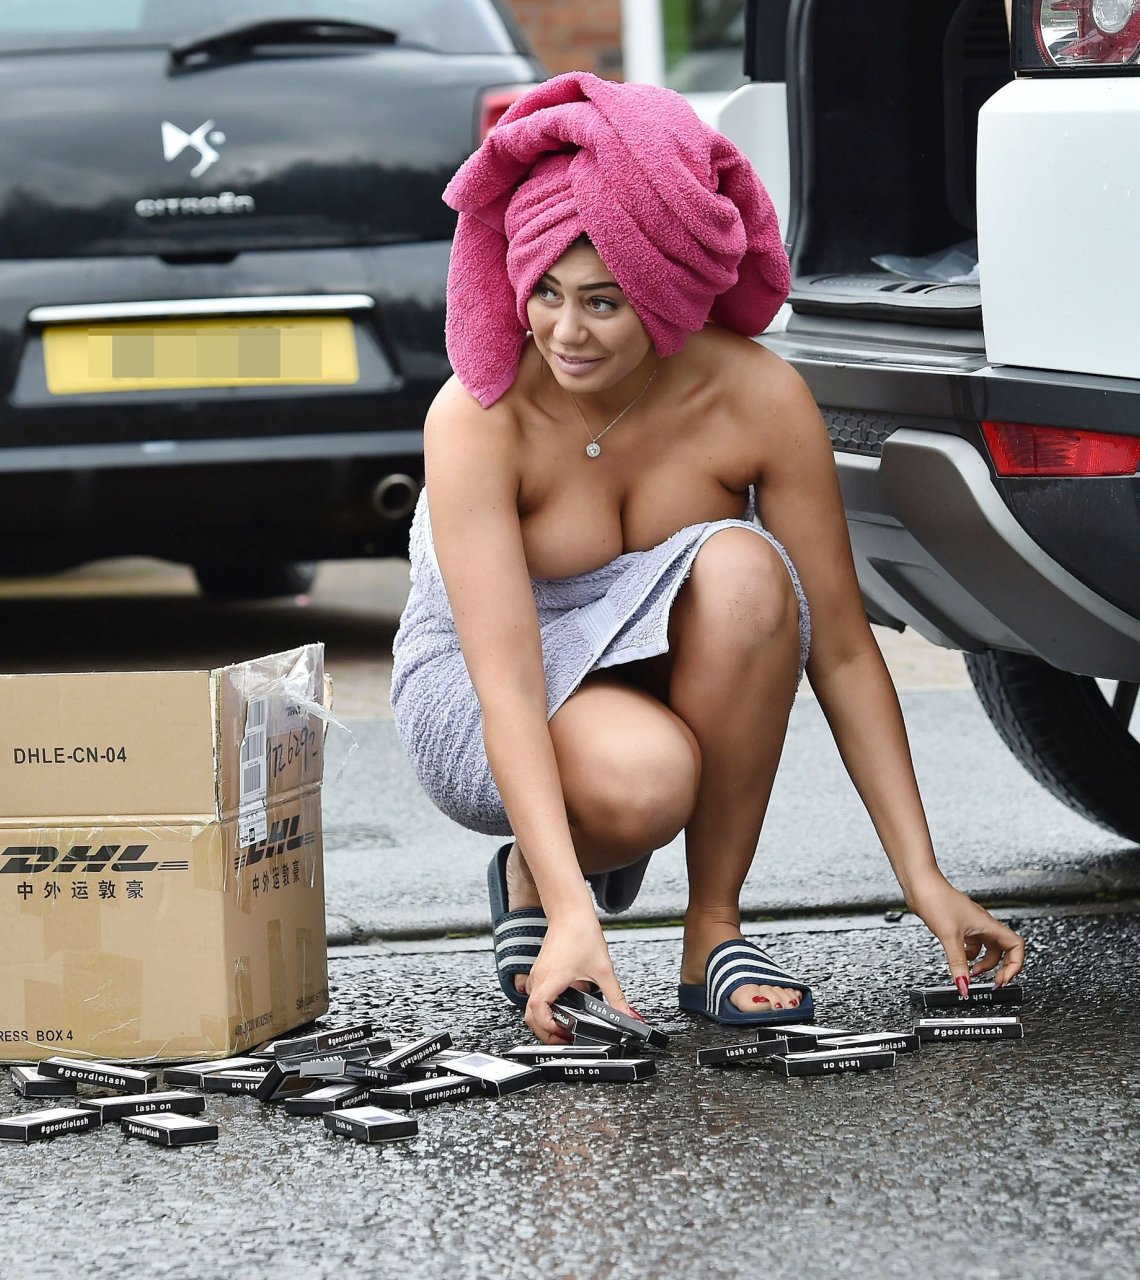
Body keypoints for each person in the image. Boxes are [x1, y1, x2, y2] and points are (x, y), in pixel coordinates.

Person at [390, 72, 1025, 1045]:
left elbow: (840, 648)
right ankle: (536, 876)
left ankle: (713, 930)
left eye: (602, 302)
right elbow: (506, 685)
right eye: (545, 292)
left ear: (664, 295)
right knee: (645, 782)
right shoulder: (480, 414)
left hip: (653, 658)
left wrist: (923, 877)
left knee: (746, 569)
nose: (564, 332)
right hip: (491, 683)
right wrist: (572, 913)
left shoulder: (754, 398)